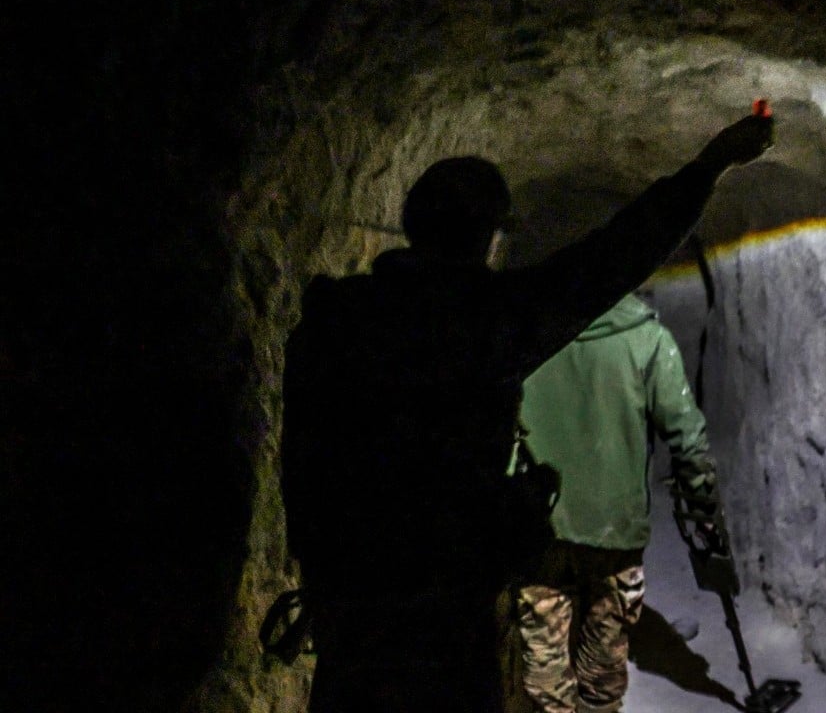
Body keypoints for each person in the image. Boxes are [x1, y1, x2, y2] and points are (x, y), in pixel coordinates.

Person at [279, 112, 773, 713]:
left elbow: (303, 466)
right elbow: (612, 258)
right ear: (487, 237)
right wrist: (711, 164)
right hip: (444, 609)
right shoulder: (485, 323)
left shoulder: (334, 320)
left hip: (349, 606)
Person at [513, 292, 719, 713]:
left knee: (546, 669)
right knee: (604, 663)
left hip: (540, 529)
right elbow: (687, 438)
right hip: (616, 532)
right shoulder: (647, 339)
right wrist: (703, 503)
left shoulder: (521, 339)